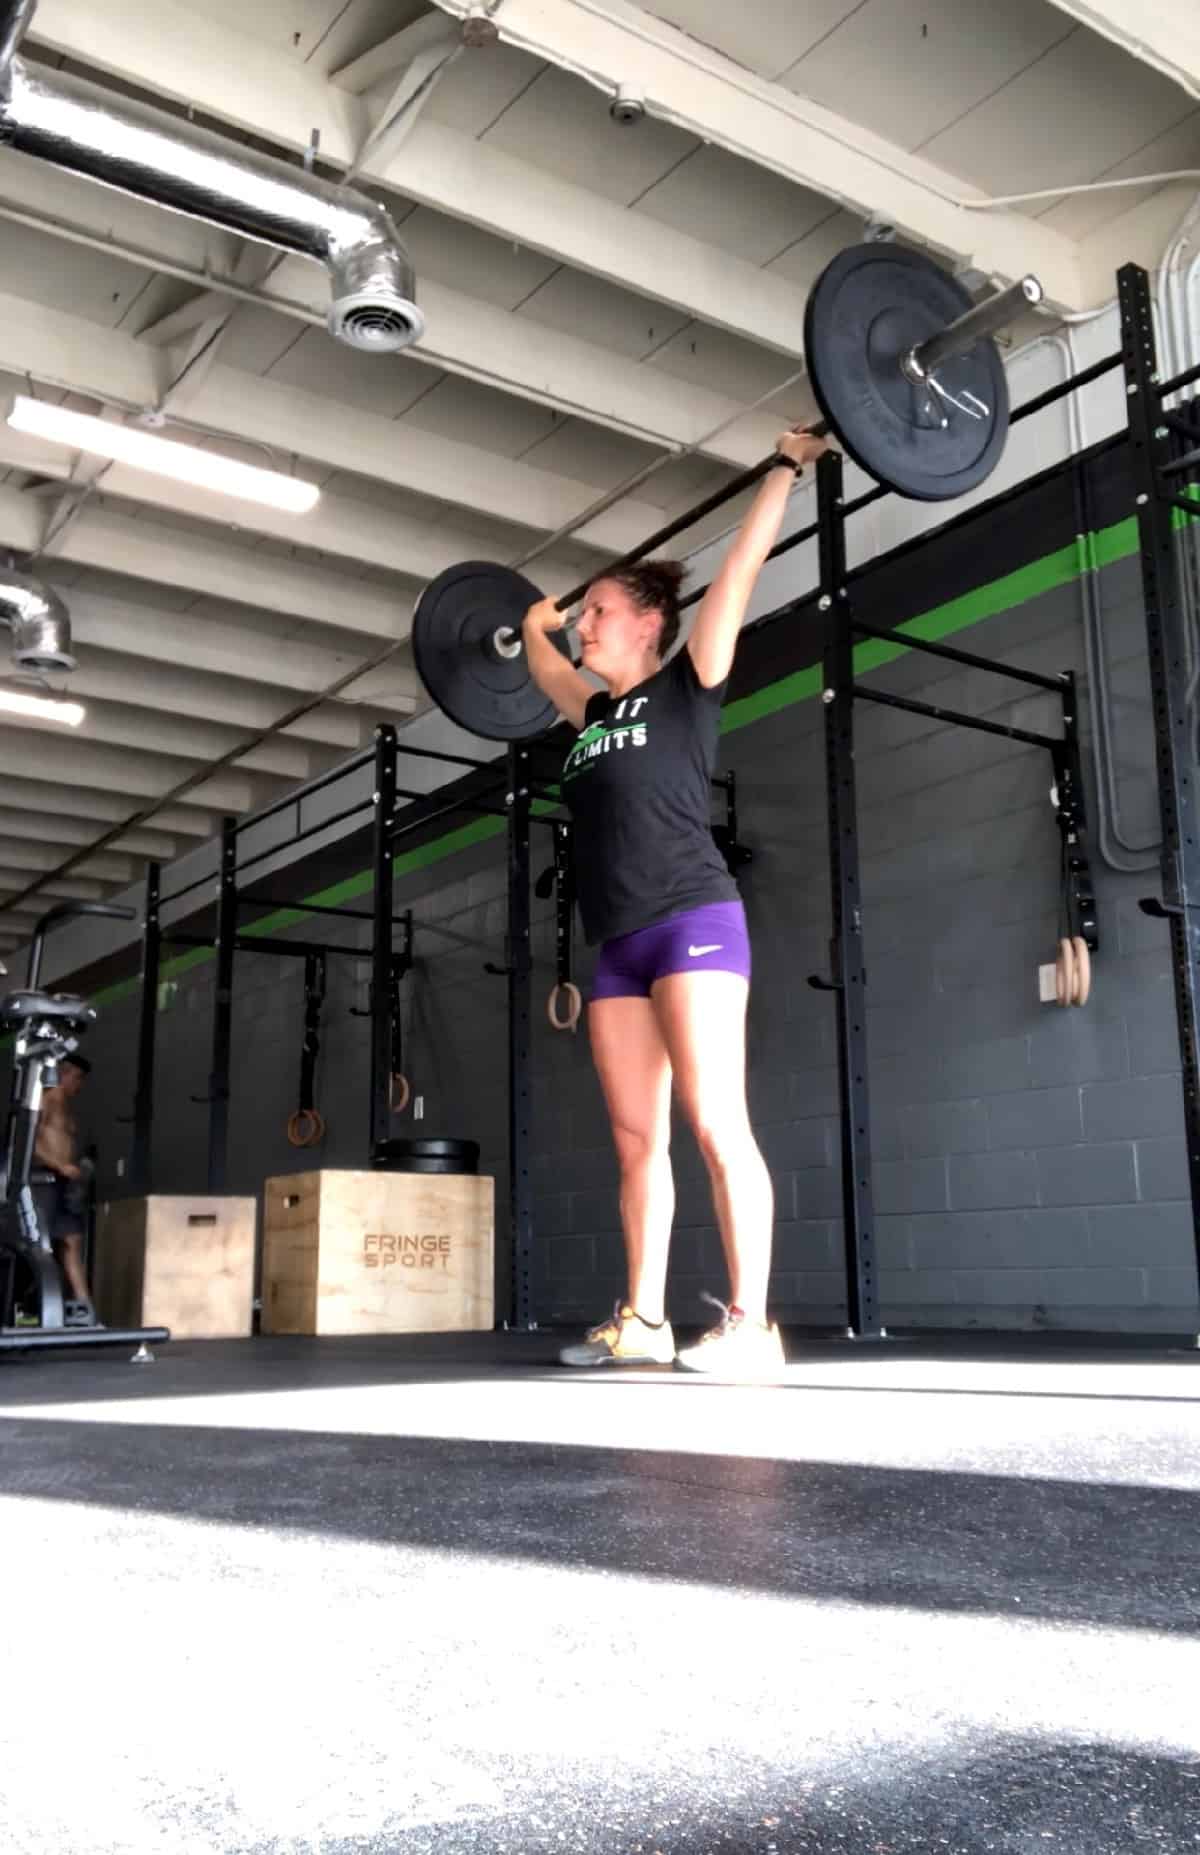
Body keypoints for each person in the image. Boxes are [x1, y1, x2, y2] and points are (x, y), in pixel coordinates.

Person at [522, 426, 828, 1376]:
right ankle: (645, 1320)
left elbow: (740, 566)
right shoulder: (592, 713)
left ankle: (752, 1324)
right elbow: (539, 662)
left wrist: (784, 467)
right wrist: (532, 621)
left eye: (598, 611)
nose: (588, 625)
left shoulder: (690, 684)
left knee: (713, 1121)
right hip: (617, 943)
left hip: (694, 920)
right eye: (586, 618)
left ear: (650, 621)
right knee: (633, 1138)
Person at [33, 1051, 99, 1327]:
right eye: (78, 1078)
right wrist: (59, 1166)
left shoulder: (67, 1108)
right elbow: (28, 1141)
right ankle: (38, 1311)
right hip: (43, 1180)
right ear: (65, 1072)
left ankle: (86, 1312)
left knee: (72, 1242)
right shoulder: (45, 1100)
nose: (79, 1086)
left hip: (64, 1184)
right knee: (41, 1246)